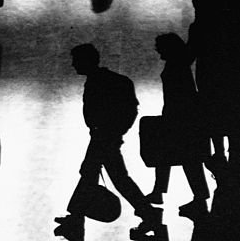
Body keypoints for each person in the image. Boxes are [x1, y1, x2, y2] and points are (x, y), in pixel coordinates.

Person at [54, 44, 160, 241]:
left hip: (103, 137)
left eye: (76, 61)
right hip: (105, 136)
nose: (73, 65)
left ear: (86, 61)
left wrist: (109, 132)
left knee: (104, 177)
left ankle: (149, 215)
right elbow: (131, 109)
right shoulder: (110, 80)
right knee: (94, 175)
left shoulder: (97, 82)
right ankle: (76, 219)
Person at [146, 33, 209, 222]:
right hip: (183, 117)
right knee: (185, 159)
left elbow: (178, 95)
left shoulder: (175, 66)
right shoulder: (180, 64)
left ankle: (194, 198)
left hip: (179, 118)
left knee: (178, 158)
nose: (159, 53)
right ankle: (196, 198)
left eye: (160, 49)